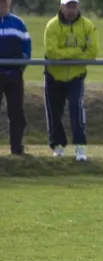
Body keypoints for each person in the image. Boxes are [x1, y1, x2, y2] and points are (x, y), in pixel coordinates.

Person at [44, 0, 99, 161]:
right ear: (61, 7)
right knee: (54, 111)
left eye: (74, 6)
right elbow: (52, 52)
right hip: (54, 75)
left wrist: (67, 55)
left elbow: (93, 51)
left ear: (78, 7)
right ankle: (58, 146)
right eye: (68, 6)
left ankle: (80, 147)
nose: (71, 10)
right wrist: (77, 52)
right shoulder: (52, 25)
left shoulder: (88, 25)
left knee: (76, 106)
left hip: (76, 75)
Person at [0, 0, 30, 156]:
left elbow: (26, 46)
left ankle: (16, 148)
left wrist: (20, 67)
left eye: (4, 2)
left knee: (16, 113)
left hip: (14, 75)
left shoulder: (18, 23)